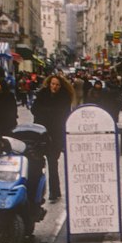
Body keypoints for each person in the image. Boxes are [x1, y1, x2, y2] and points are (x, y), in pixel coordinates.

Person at [32, 72, 73, 201]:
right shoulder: (42, 94)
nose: (54, 87)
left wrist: (45, 112)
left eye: (57, 85)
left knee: (52, 163)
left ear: (61, 86)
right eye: (52, 84)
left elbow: (63, 115)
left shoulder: (64, 98)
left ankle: (54, 192)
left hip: (55, 134)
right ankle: (38, 191)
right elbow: (34, 109)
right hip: (41, 133)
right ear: (49, 83)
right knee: (38, 162)